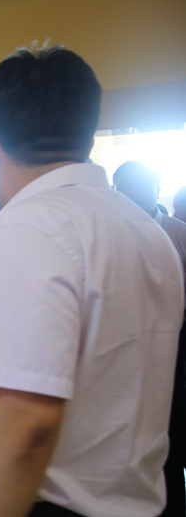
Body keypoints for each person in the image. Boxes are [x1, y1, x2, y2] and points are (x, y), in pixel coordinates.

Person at [0, 45, 184, 517]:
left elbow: (26, 420)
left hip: (40, 501)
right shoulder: (144, 228)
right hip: (132, 497)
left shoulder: (30, 229)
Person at [113, 161, 186, 516]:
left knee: (170, 429)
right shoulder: (112, 232)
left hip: (173, 344)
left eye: (137, 186)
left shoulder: (177, 232)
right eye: (122, 188)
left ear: (156, 189)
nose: (130, 194)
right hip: (124, 346)